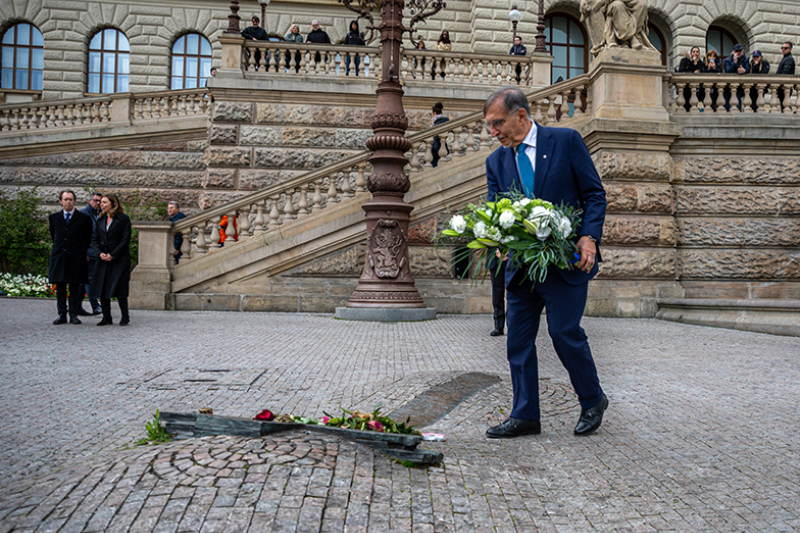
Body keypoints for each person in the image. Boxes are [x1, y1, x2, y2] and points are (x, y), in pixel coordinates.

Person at [483, 87, 608, 439]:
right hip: (521, 268)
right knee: (518, 341)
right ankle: (525, 415)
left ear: (520, 116)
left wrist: (589, 236)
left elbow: (594, 194)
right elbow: (497, 212)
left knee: (563, 333)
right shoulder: (496, 162)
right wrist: (498, 241)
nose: (493, 132)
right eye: (490, 126)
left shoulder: (566, 141)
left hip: (566, 263)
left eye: (497, 124)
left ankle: (593, 399)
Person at [48, 190, 93, 325]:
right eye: (66, 199)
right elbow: (53, 234)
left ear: (74, 201)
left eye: (71, 199)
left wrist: (81, 251)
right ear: (61, 201)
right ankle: (62, 314)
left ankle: (74, 313)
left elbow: (87, 237)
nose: (68, 202)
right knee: (60, 286)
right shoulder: (54, 218)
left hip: (76, 256)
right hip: (60, 255)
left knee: (75, 286)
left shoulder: (83, 218)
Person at [91, 194, 132, 326]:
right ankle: (106, 317)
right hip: (103, 258)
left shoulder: (123, 219)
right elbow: (95, 239)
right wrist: (100, 253)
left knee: (120, 288)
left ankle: (125, 316)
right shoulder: (100, 220)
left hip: (119, 259)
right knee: (102, 288)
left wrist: (113, 254)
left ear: (113, 204)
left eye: (104, 202)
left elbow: (125, 240)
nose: (101, 204)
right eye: (100, 202)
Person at [79, 191, 103, 315]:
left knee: (85, 281)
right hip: (87, 253)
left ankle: (76, 305)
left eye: (100, 201)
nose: (98, 203)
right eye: (95, 200)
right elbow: (79, 236)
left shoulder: (99, 215)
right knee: (89, 279)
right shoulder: (83, 214)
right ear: (90, 201)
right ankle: (95, 305)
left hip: (96, 253)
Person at [677, 46, 705, 111]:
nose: (695, 53)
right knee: (686, 105)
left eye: (697, 52)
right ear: (691, 52)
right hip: (686, 88)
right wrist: (693, 72)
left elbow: (701, 71)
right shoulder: (685, 60)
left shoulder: (700, 62)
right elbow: (681, 71)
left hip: (697, 88)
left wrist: (695, 63)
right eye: (694, 51)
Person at [723, 44, 749, 110]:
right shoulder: (727, 60)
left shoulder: (745, 60)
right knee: (727, 106)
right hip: (728, 87)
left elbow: (748, 71)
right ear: (733, 52)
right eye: (736, 51)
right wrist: (734, 63)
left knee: (737, 106)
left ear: (742, 52)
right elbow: (727, 72)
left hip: (739, 87)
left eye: (739, 51)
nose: (738, 53)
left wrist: (744, 71)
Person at [488, 250, 507, 337]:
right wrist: (496, 250)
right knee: (497, 295)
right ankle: (498, 327)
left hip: (512, 260)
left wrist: (509, 251)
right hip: (495, 260)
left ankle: (513, 327)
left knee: (513, 295)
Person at [776, 42, 795, 111]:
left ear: (790, 49)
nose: (783, 49)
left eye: (785, 48)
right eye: (782, 48)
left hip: (784, 86)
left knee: (785, 106)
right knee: (784, 106)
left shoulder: (789, 59)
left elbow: (785, 74)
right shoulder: (786, 58)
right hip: (783, 87)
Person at [430, 102, 449, 167]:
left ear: (435, 113)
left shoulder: (437, 124)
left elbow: (436, 140)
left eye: (431, 113)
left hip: (437, 152)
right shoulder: (439, 122)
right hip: (440, 150)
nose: (431, 115)